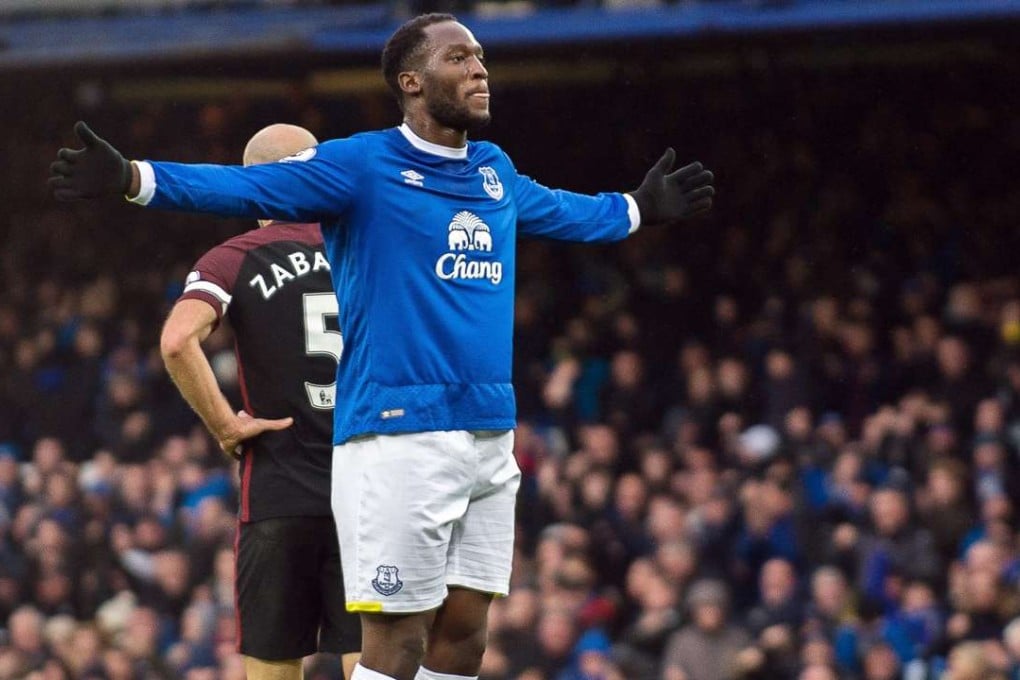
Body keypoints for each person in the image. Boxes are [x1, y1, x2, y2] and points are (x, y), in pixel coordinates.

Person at [48, 13, 715, 680]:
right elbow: (244, 185)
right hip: (398, 438)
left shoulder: (492, 169)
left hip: (489, 431)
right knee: (396, 646)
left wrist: (637, 208)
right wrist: (133, 178)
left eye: (480, 56)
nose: (479, 69)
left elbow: (566, 211)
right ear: (412, 81)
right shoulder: (362, 164)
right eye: (459, 58)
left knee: (465, 636)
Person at [158, 123, 361, 680]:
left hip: (278, 492)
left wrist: (225, 425)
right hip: (369, 488)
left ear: (255, 185)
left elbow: (177, 341)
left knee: (273, 666)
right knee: (374, 661)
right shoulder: (369, 248)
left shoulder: (233, 258)